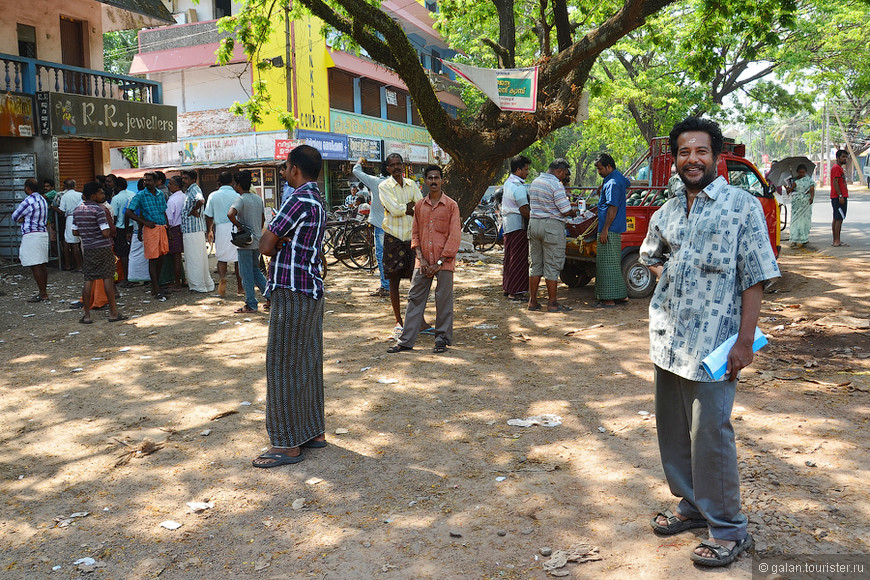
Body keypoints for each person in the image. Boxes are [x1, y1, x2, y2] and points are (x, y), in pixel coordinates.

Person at [640, 117, 780, 568]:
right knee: (674, 432)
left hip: (715, 346)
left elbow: (754, 276)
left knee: (710, 435)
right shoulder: (666, 210)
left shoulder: (742, 206)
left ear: (716, 157)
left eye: (700, 151)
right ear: (675, 160)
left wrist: (744, 341)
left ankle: (729, 528)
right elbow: (650, 256)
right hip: (668, 340)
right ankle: (692, 506)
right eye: (684, 152)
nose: (692, 159)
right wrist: (674, 280)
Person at [253, 145, 327, 468]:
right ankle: (312, 431)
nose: (283, 172)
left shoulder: (296, 199)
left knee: (282, 364)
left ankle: (286, 443)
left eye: (285, 167)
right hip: (311, 288)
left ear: (295, 169)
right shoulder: (319, 201)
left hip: (291, 289)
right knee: (307, 360)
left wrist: (277, 240)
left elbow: (266, 244)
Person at [386, 165, 461, 355]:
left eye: (437, 178)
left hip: (444, 262)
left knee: (443, 300)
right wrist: (421, 258)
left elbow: (454, 236)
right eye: (430, 178)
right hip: (422, 261)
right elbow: (415, 234)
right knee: (414, 298)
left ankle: (441, 339)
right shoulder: (419, 206)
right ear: (426, 181)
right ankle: (406, 341)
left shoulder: (451, 205)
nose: (434, 181)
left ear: (442, 180)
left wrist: (439, 263)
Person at [379, 153, 424, 334]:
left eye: (399, 164)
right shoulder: (384, 186)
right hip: (393, 238)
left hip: (411, 239)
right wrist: (408, 207)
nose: (396, 167)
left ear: (403, 165)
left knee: (417, 281)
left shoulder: (412, 184)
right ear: (388, 168)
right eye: (393, 165)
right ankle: (398, 320)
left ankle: (419, 320)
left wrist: (407, 207)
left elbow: (420, 206)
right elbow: (395, 209)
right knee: (394, 281)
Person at [72, 182, 126, 324]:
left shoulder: (77, 210)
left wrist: (87, 232)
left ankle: (87, 315)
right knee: (107, 277)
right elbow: (105, 232)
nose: (103, 195)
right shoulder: (99, 210)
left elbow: (75, 231)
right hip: (103, 247)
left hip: (88, 248)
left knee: (88, 280)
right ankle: (113, 313)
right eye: (101, 193)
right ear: (93, 195)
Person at [527, 158, 577, 312]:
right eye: (565, 174)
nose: (564, 177)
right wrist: (573, 211)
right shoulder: (556, 185)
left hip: (534, 224)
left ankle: (532, 301)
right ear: (559, 171)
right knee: (552, 266)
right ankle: (553, 303)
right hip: (551, 227)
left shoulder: (535, 182)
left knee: (535, 265)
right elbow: (564, 210)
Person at [228, 170, 269, 313]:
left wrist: (240, 226)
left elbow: (230, 214)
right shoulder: (257, 198)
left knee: (246, 274)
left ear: (238, 184)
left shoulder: (241, 199)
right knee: (255, 269)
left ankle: (251, 303)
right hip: (257, 239)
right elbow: (263, 219)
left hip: (245, 241)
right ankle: (270, 296)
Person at [125, 172, 169, 300]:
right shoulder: (140, 195)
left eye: (149, 180)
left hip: (162, 227)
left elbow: (164, 212)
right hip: (150, 229)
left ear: (156, 182)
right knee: (152, 259)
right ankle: (155, 288)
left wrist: (169, 229)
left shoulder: (160, 194)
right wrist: (144, 224)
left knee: (161, 257)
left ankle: (157, 287)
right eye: (145, 180)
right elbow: (129, 212)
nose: (147, 182)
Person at [593, 153, 629, 307]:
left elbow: (612, 209)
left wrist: (605, 229)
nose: (599, 172)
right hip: (615, 228)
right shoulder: (617, 178)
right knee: (613, 263)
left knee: (606, 264)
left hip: (610, 228)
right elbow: (627, 183)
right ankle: (621, 296)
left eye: (601, 169)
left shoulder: (612, 183)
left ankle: (608, 299)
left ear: (609, 167)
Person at [353, 157, 390, 297]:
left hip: (381, 225)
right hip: (396, 226)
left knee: (381, 256)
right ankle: (390, 285)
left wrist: (360, 160)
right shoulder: (400, 183)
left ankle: (386, 287)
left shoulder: (376, 182)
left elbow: (356, 170)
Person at [204, 171, 242, 297]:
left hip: (220, 228)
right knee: (238, 258)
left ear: (219, 182)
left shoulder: (213, 196)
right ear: (232, 182)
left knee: (221, 257)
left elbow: (209, 215)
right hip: (235, 226)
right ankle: (240, 286)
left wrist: (209, 230)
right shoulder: (237, 195)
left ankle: (222, 280)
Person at [12, 178, 50, 302]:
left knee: (35, 265)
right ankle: (43, 292)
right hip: (42, 233)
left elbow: (15, 216)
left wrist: (22, 218)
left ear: (27, 188)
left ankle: (43, 294)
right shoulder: (42, 199)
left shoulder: (28, 201)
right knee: (42, 265)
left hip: (31, 235)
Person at [501, 155, 531, 301]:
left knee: (510, 257)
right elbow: (524, 210)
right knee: (518, 259)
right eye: (526, 169)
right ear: (518, 170)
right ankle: (516, 291)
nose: (527, 172)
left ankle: (508, 287)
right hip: (518, 225)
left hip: (508, 225)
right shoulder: (518, 187)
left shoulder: (508, 183)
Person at [180, 170, 214, 293]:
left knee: (194, 258)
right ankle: (204, 284)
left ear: (193, 179)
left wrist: (193, 210)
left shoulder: (194, 189)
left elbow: (201, 200)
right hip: (193, 230)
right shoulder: (190, 190)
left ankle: (197, 286)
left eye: (186, 178)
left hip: (193, 230)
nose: (183, 180)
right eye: (182, 178)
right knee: (198, 258)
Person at [110, 177, 135, 284]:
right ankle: (133, 276)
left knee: (123, 254)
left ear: (117, 186)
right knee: (132, 253)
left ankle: (126, 277)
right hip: (133, 227)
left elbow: (114, 215)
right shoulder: (132, 194)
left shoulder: (116, 198)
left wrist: (113, 229)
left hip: (121, 228)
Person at [785, 163, 815, 247]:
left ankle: (804, 238)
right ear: (797, 172)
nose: (801, 174)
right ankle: (794, 239)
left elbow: (812, 190)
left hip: (805, 203)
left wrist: (811, 198)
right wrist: (787, 186)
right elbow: (788, 191)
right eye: (800, 172)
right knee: (795, 221)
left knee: (804, 221)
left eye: (803, 172)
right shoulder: (794, 181)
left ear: (805, 172)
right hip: (796, 204)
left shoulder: (809, 180)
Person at [165, 175, 186, 289]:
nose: (168, 185)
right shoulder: (184, 197)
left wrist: (168, 231)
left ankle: (177, 283)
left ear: (177, 186)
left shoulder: (172, 200)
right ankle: (184, 279)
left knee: (176, 257)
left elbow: (169, 219)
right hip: (184, 228)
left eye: (171, 183)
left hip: (174, 228)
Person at [58, 179, 83, 271]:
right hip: (81, 217)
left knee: (73, 243)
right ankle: (80, 264)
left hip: (70, 218)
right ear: (75, 186)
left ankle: (78, 266)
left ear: (65, 187)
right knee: (79, 242)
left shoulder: (65, 196)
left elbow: (62, 210)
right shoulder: (80, 195)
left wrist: (54, 208)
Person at [830, 149, 849, 247]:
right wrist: (840, 195)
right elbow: (835, 182)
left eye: (846, 157)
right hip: (838, 197)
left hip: (838, 196)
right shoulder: (836, 168)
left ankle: (836, 240)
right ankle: (836, 241)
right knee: (839, 218)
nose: (845, 159)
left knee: (837, 218)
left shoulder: (839, 168)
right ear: (838, 158)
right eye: (843, 157)